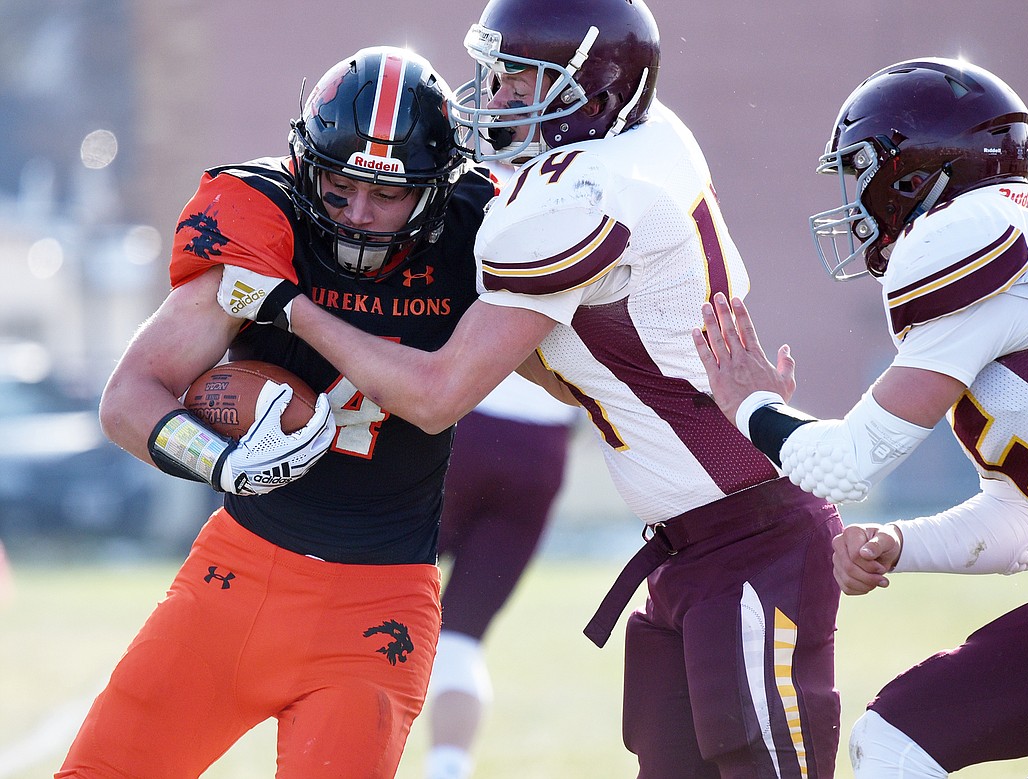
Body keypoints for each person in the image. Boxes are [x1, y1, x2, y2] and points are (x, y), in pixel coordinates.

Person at [214, 0, 846, 775]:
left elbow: (439, 394)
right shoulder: (643, 141)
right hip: (698, 546)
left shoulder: (580, 197)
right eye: (499, 74)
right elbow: (567, 368)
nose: (498, 96)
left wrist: (292, 309)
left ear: (597, 92)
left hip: (752, 538)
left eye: (522, 82)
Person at [693, 57, 1028, 779]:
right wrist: (896, 542)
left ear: (914, 175)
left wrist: (750, 405)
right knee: (894, 738)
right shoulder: (1003, 276)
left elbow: (848, 463)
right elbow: (1026, 526)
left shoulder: (966, 232)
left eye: (860, 170)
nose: (853, 199)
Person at [57, 46, 495, 778]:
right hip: (235, 577)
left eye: (387, 195)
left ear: (436, 191)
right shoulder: (265, 217)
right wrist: (222, 461)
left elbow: (435, 396)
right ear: (306, 165)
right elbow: (129, 396)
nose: (358, 214)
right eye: (340, 185)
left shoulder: (479, 234)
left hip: (376, 606)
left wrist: (293, 310)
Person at [425, 373, 578, 779]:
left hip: (464, 425)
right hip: (542, 449)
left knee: (372, 606)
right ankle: (447, 770)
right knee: (461, 639)